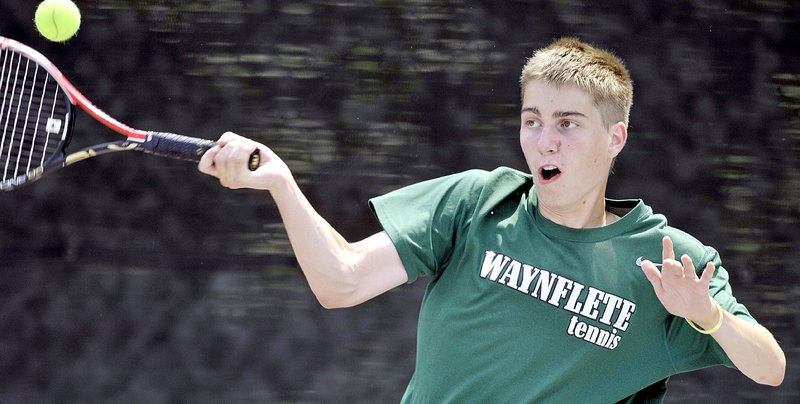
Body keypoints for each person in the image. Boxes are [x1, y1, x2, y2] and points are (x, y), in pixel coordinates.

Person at [198, 37, 785, 402]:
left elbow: (770, 369)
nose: (543, 140)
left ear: (616, 138)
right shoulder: (476, 203)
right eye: (532, 120)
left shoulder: (667, 261)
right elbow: (342, 280)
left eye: (568, 123)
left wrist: (706, 314)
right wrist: (280, 182)